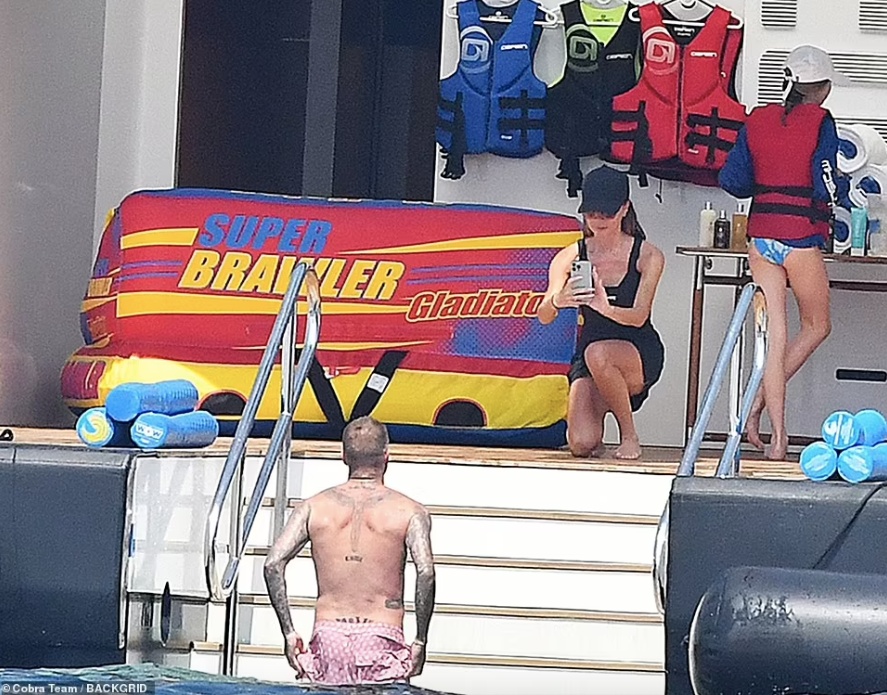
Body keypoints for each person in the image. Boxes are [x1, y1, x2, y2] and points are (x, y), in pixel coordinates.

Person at [719, 45, 847, 460]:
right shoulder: (821, 122)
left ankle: (776, 434)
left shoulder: (757, 119)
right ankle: (762, 416)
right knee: (817, 325)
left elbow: (733, 180)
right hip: (800, 236)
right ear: (823, 89)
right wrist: (844, 192)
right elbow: (825, 184)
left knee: (775, 338)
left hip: (761, 236)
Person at [263, 416, 436, 686]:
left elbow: (272, 564)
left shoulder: (313, 507)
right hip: (382, 638)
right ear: (386, 456)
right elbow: (426, 572)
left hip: (328, 636)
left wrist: (289, 632)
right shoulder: (410, 511)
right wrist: (421, 640)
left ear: (344, 456)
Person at [538, 165, 665, 460]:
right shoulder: (571, 255)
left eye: (606, 213)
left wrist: (605, 308)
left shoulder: (647, 255)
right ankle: (601, 407)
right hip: (591, 354)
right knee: (581, 443)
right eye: (591, 214)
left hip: (636, 349)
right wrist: (559, 300)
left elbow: (639, 316)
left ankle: (629, 435)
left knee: (598, 353)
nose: (598, 221)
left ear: (624, 209)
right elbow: (543, 315)